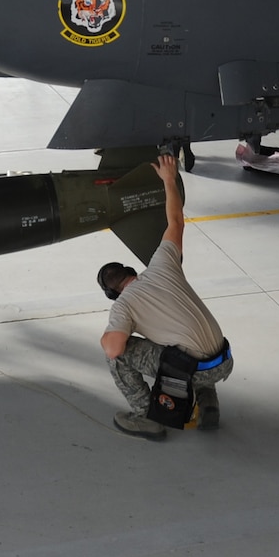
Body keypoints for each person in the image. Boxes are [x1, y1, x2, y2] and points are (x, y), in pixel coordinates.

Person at [97, 153, 233, 441]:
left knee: (117, 358)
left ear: (112, 294)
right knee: (184, 338)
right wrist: (169, 180)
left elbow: (113, 349)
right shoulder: (162, 264)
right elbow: (175, 222)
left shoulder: (123, 306)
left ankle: (148, 419)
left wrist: (108, 332)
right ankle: (208, 401)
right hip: (223, 360)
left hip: (196, 369)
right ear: (131, 271)